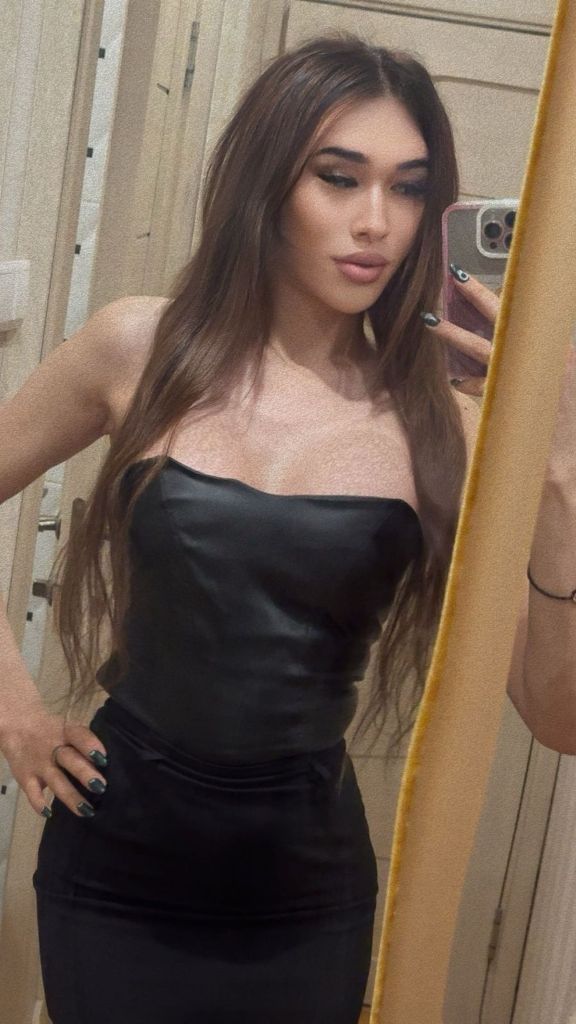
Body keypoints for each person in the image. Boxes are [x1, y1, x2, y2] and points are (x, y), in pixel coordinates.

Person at [0, 31, 570, 1024]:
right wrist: (15, 711)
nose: (376, 222)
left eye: (407, 189)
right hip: (115, 866)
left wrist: (560, 470)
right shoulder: (138, 345)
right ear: (267, 184)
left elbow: (557, 715)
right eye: (339, 177)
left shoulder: (448, 423)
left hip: (304, 898)